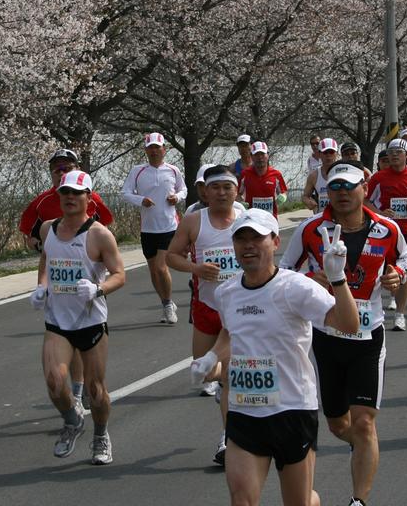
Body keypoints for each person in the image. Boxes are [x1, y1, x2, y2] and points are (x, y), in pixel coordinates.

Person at [191, 209, 357, 506]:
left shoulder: (295, 287)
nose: (248, 245)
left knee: (300, 502)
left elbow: (348, 324)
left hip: (292, 410)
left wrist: (338, 278)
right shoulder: (227, 292)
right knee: (241, 500)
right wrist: (211, 357)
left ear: (275, 242)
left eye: (257, 237)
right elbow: (230, 333)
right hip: (244, 411)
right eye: (241, 239)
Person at [280, 162, 407, 506]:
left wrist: (395, 275)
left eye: (349, 186)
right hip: (327, 335)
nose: (342, 193)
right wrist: (311, 279)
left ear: (363, 188)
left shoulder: (387, 228)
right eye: (335, 187)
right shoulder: (310, 229)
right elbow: (284, 272)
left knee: (365, 423)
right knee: (339, 425)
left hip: (368, 336)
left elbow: (404, 259)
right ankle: (363, 446)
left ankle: (358, 500)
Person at [33, 170, 127, 464]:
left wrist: (98, 289)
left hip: (91, 322)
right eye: (65, 193)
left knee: (96, 392)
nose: (70, 198)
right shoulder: (48, 229)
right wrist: (42, 286)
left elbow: (120, 275)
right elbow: (46, 260)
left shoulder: (99, 234)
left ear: (89, 198)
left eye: (77, 193)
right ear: (58, 196)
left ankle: (101, 435)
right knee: (53, 380)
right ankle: (72, 421)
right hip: (58, 322)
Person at [20, 148, 116, 414]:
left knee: (93, 375)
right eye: (57, 169)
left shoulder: (91, 197)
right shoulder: (41, 203)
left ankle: (85, 392)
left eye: (67, 167)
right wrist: (42, 283)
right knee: (64, 349)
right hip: (58, 293)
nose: (62, 173)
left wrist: (97, 267)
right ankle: (75, 392)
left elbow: (107, 223)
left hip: (88, 289)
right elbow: (30, 236)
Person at [166, 165, 243, 465]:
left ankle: (229, 439)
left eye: (227, 186)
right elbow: (171, 256)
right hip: (207, 307)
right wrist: (196, 269)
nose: (222, 192)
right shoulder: (193, 221)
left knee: (233, 377)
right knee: (205, 372)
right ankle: (225, 387)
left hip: (240, 309)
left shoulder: (246, 218)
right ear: (205, 192)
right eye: (216, 187)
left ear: (236, 190)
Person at [121, 132, 186, 324]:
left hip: (169, 226)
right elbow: (125, 193)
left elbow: (184, 189)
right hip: (148, 229)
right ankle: (166, 301)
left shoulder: (173, 170)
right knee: (153, 272)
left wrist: (177, 198)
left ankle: (167, 306)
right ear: (146, 150)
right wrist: (141, 200)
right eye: (151, 147)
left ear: (164, 149)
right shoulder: (138, 171)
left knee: (161, 267)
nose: (154, 151)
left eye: (158, 147)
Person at [366, 139, 407, 330]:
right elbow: (364, 201)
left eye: (398, 152)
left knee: (403, 274)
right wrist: (380, 213)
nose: (393, 155)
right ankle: (374, 309)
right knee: (376, 271)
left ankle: (400, 314)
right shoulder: (378, 178)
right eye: (390, 152)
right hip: (382, 233)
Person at [239, 141, 289, 218]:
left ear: (268, 155)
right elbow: (237, 193)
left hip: (270, 218)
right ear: (251, 156)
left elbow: (284, 191)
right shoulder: (245, 174)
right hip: (251, 218)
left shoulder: (276, 174)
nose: (260, 157)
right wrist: (240, 203)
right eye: (256, 154)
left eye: (262, 154)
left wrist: (283, 196)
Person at [303, 138, 341, 212]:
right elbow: (305, 196)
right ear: (319, 154)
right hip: (323, 218)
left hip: (342, 217)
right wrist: (308, 201)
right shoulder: (314, 175)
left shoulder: (344, 172)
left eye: (331, 152)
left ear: (337, 154)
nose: (328, 155)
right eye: (325, 152)